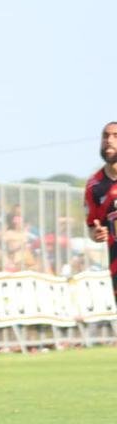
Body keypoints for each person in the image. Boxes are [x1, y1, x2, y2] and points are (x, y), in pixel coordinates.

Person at [85, 121, 117, 300]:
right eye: (105, 136)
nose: (109, 140)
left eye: (115, 136)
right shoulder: (94, 185)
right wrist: (96, 234)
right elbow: (92, 227)